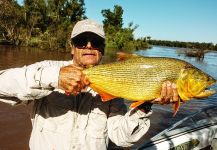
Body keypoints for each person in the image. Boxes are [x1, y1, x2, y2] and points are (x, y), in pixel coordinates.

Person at [0, 19, 179, 150]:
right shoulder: (47, 68)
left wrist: (146, 103)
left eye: (96, 42)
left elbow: (122, 138)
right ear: (72, 48)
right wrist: (55, 77)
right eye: (81, 41)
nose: (88, 45)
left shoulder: (113, 83)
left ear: (102, 49)